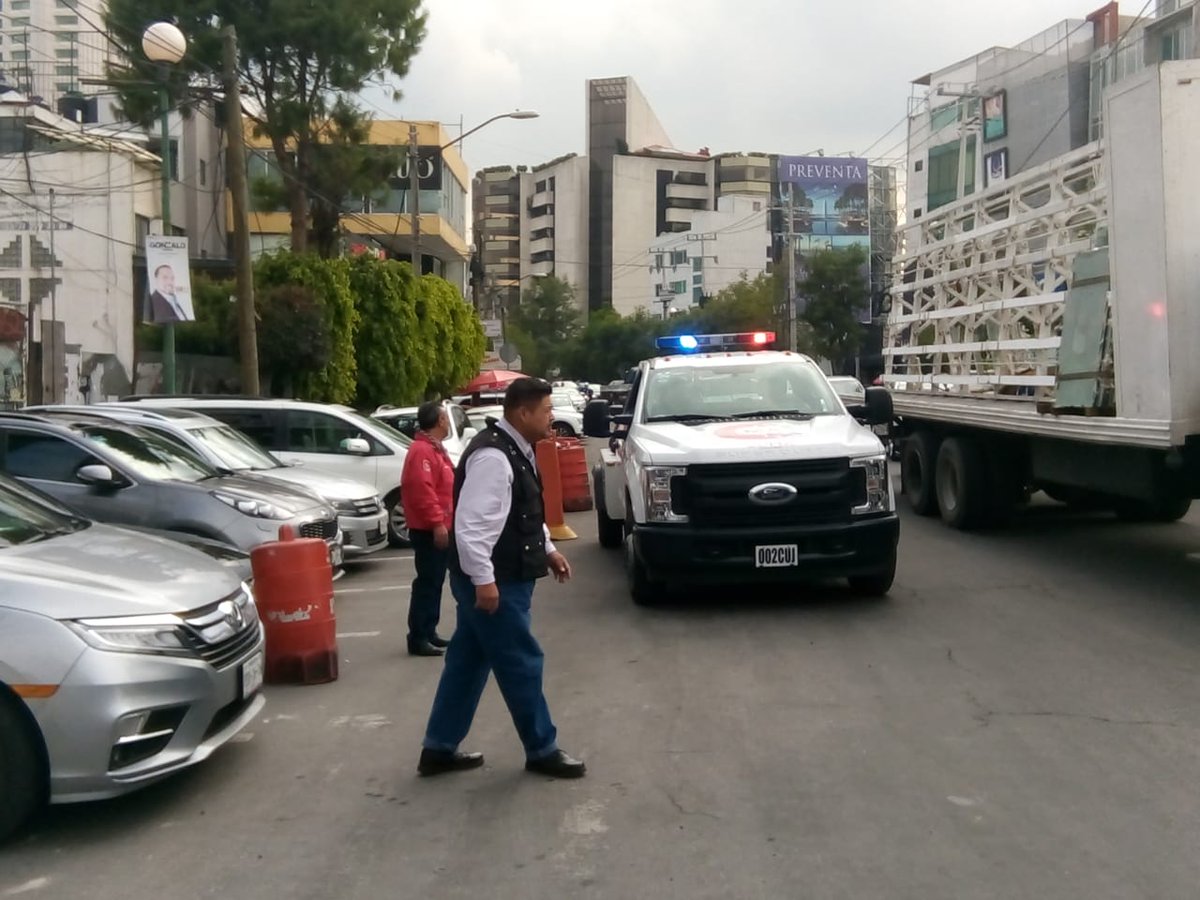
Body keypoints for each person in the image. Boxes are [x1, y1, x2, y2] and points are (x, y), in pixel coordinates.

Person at [418, 377, 586, 780]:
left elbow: (523, 511)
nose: (551, 417)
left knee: (467, 662)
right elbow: (472, 527)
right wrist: (484, 582)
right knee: (521, 661)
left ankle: (439, 748)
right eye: (545, 411)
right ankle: (541, 748)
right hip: (498, 581)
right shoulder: (494, 457)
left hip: (500, 575)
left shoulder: (516, 448)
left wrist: (548, 550)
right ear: (522, 413)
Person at [400, 401, 455, 657]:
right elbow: (423, 491)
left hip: (441, 524)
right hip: (428, 529)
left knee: (435, 581)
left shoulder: (435, 449)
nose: (447, 421)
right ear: (438, 421)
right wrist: (437, 524)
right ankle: (419, 635)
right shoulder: (422, 451)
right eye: (444, 417)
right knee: (427, 581)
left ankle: (429, 630)